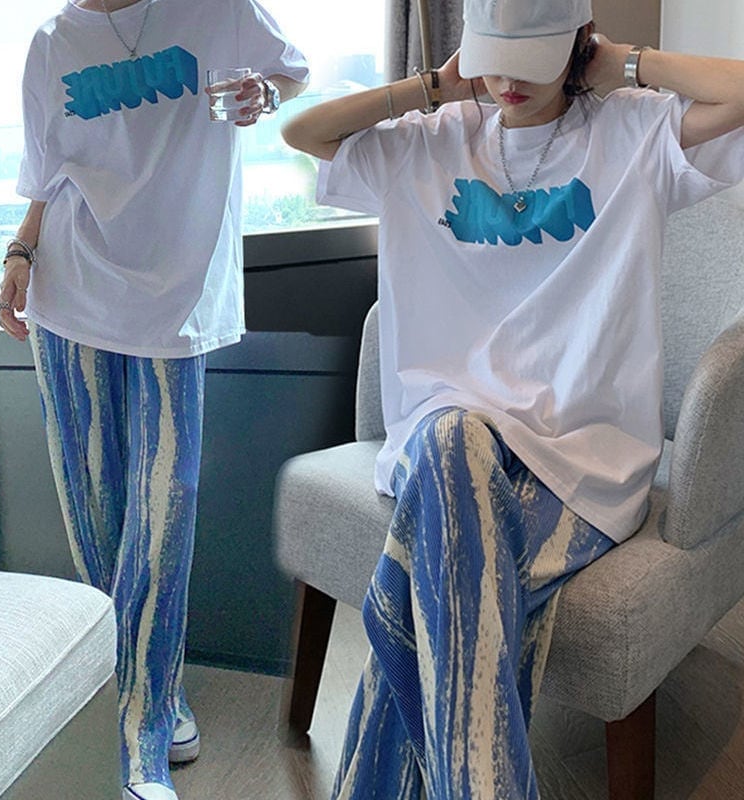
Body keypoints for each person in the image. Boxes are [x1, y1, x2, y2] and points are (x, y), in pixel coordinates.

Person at [282, 0, 744, 796]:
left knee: (423, 585)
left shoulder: (633, 134)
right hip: (444, 448)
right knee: (451, 435)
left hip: (582, 461)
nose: (506, 81)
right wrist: (429, 87)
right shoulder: (430, 140)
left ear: (578, 46)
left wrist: (628, 64)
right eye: (492, 57)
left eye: (530, 58)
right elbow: (301, 132)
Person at [0, 1, 308, 798]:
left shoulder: (214, 9)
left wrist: (263, 96)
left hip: (174, 297)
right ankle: (147, 695)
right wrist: (21, 250)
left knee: (165, 506)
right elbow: (48, 173)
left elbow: (289, 72)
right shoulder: (51, 42)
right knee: (95, 507)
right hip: (71, 292)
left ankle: (140, 734)